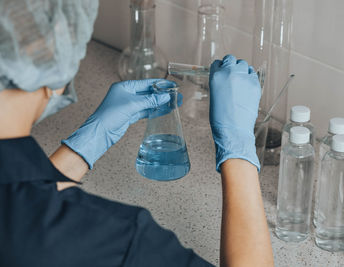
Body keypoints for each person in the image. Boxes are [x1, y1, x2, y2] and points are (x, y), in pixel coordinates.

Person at [0, 1, 274, 266]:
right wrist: (238, 148)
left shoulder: (22, 213)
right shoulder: (115, 240)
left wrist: (88, 142)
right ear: (47, 53)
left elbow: (24, 203)